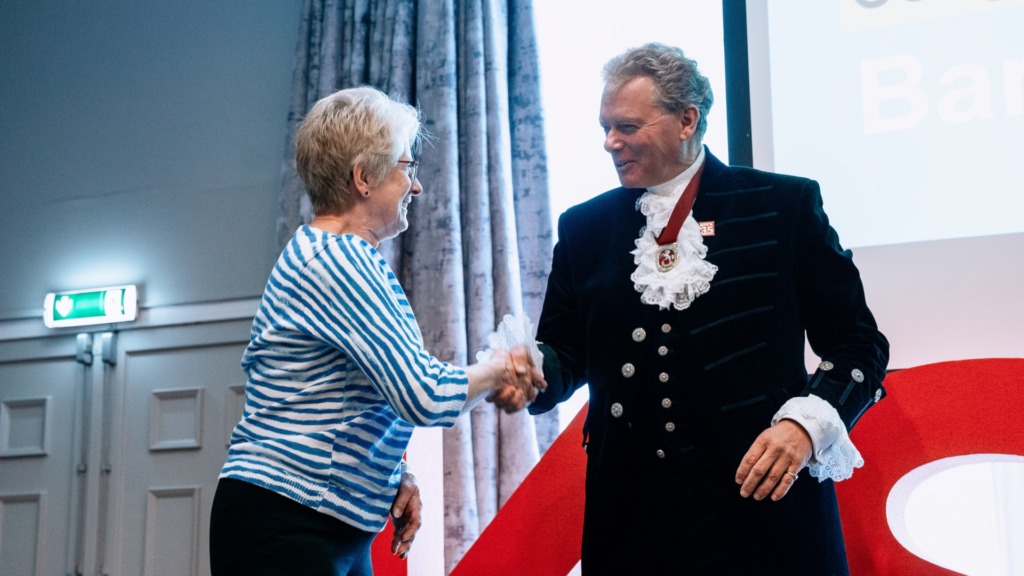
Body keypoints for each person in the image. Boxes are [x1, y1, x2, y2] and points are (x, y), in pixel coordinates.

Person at [527, 43, 889, 574]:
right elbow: (566, 353)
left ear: (686, 120)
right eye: (605, 127)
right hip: (632, 522)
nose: (610, 143)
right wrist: (525, 372)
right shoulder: (584, 228)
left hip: (762, 514)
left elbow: (859, 343)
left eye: (627, 126)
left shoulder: (780, 206)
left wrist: (805, 426)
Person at [209, 86, 545, 576]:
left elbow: (338, 394)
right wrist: (499, 367)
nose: (416, 186)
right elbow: (424, 395)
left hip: (315, 519)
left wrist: (394, 475)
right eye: (407, 167)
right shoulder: (339, 261)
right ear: (363, 177)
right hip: (289, 520)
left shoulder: (325, 253)